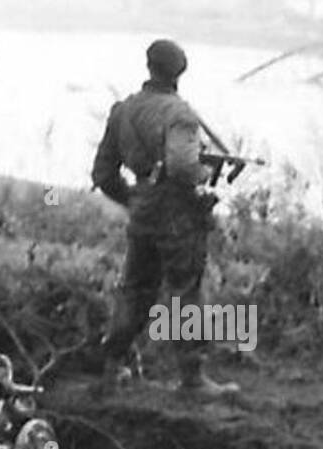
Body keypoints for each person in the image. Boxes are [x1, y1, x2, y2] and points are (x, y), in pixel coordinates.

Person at [90, 39, 239, 398]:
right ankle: (192, 378)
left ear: (149, 67)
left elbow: (103, 174)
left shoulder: (122, 111)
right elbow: (184, 165)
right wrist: (207, 175)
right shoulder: (181, 114)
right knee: (185, 290)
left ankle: (112, 367)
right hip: (177, 213)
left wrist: (134, 199)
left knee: (135, 289)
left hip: (143, 210)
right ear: (179, 72)